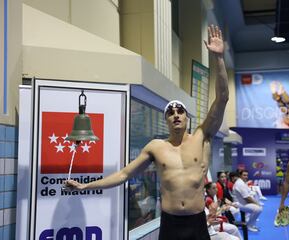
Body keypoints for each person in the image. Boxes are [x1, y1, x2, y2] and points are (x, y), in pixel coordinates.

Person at [65, 25, 229, 240]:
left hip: (196, 221)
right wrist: (87, 184)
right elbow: (124, 174)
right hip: (170, 223)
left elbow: (223, 98)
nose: (176, 115)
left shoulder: (202, 136)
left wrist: (218, 59)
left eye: (180, 111)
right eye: (171, 113)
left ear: (187, 117)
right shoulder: (156, 147)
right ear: (166, 120)